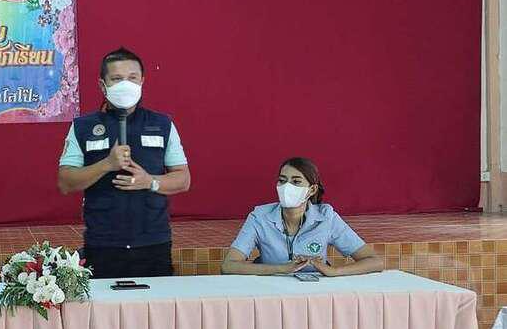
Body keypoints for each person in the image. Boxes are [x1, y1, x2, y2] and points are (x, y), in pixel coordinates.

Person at [57, 47, 191, 278]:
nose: (125, 85)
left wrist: (150, 182)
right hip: (102, 245)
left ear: (142, 82)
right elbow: (65, 182)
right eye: (117, 79)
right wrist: (106, 164)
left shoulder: (162, 124)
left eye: (132, 78)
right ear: (103, 85)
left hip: (153, 244)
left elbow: (183, 179)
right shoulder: (82, 127)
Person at [222, 157, 383, 276]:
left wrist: (334, 271)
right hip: (272, 292)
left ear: (312, 190)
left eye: (296, 182)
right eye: (282, 181)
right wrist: (282, 269)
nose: (287, 187)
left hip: (315, 293)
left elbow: (374, 261)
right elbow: (228, 266)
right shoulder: (260, 217)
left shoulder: (327, 217)